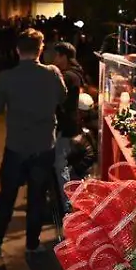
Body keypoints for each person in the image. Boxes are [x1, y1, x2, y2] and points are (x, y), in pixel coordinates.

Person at [0, 29, 67, 256]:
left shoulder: (7, 78)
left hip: (16, 146)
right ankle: (32, 244)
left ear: (17, 50)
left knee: (7, 196)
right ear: (41, 49)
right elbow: (63, 98)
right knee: (37, 197)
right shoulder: (52, 74)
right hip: (43, 146)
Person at [52, 42, 86, 209]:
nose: (54, 59)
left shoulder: (67, 76)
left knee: (62, 166)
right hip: (73, 125)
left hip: (66, 127)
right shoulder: (77, 73)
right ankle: (75, 203)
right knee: (69, 167)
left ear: (64, 56)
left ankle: (69, 206)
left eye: (57, 55)